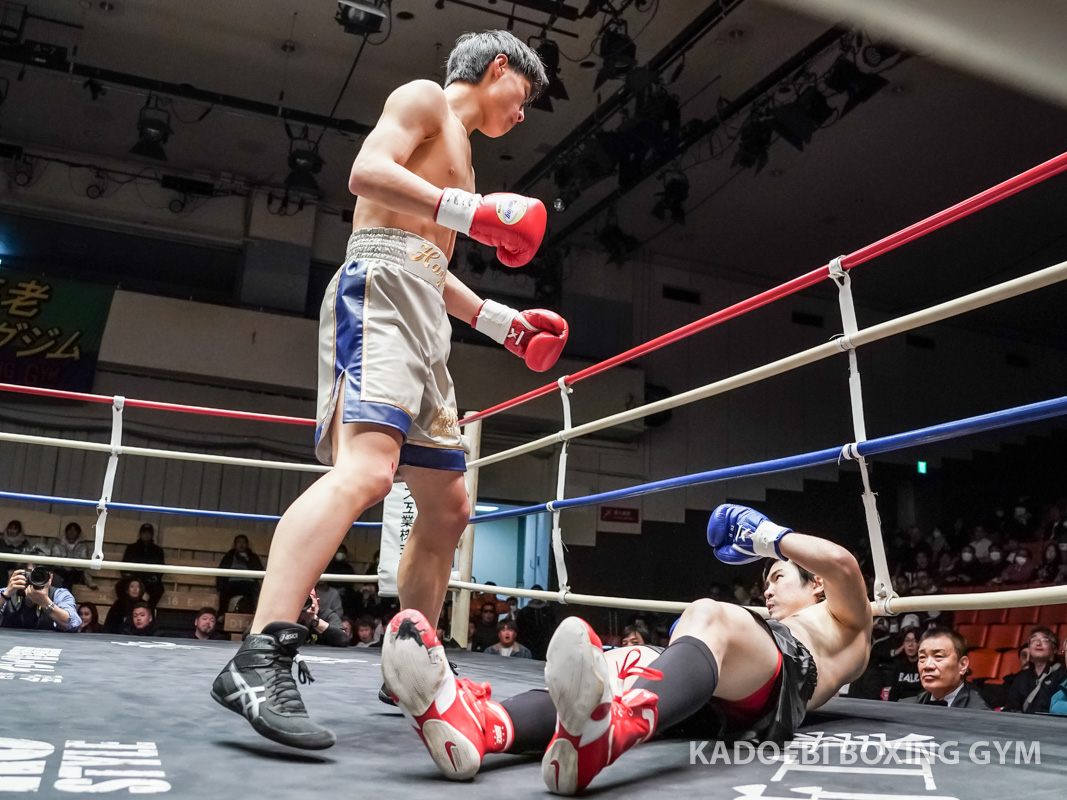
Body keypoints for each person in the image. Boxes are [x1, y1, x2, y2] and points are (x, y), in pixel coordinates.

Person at [210, 29, 559, 751]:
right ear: (496, 68)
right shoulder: (424, 99)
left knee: (449, 504)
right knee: (367, 471)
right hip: (379, 294)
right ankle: (259, 656)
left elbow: (429, 258)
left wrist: (501, 324)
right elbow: (366, 173)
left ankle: (412, 667)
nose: (522, 113)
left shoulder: (464, 159)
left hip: (423, 308)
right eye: (522, 94)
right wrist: (471, 212)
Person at [381, 504, 872, 793]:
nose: (768, 588)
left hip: (782, 686)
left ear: (816, 585)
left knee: (709, 613)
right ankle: (485, 727)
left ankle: (612, 730)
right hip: (724, 704)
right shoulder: (770, 627)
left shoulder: (845, 625)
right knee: (620, 664)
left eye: (779, 576)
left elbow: (843, 565)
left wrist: (766, 538)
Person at [902, 627, 991, 709]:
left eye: (938, 656)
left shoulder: (979, 713)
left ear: (962, 665)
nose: (927, 665)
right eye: (922, 657)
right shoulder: (906, 707)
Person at [0, 549, 81, 631]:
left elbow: (72, 623)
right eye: (29, 573)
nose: (33, 579)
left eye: (39, 575)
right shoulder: (6, 592)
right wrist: (4, 596)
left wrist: (45, 603)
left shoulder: (59, 594)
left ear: (50, 578)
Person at [1004, 626, 1063, 713]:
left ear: (1054, 649)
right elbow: (1012, 706)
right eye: (1034, 640)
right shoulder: (1022, 677)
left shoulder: (1062, 674)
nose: (1038, 643)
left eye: (1045, 640)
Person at [216, 535, 264, 613]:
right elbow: (221, 570)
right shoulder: (229, 556)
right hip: (232, 583)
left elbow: (259, 570)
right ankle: (222, 614)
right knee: (225, 590)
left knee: (254, 591)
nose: (241, 544)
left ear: (247, 545)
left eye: (244, 542)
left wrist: (247, 559)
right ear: (235, 545)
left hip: (249, 583)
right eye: (239, 542)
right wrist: (219, 587)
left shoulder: (253, 556)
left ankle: (255, 613)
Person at [122, 523, 166, 607]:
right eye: (144, 532)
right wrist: (130, 577)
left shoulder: (158, 550)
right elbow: (124, 566)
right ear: (140, 534)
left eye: (148, 533)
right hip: (134, 578)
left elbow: (161, 568)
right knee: (120, 587)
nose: (146, 535)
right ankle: (127, 608)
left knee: (159, 589)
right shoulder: (131, 548)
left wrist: (155, 577)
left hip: (149, 580)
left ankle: (149, 608)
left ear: (152, 535)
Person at [51, 522, 95, 590]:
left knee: (71, 577)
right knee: (61, 576)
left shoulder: (82, 546)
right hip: (61, 570)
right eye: (70, 530)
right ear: (66, 532)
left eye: (74, 530)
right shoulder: (58, 545)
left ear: (78, 533)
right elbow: (55, 562)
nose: (72, 532)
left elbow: (82, 563)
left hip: (75, 571)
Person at [887, 626, 922, 701]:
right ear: (903, 644)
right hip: (900, 705)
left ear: (920, 644)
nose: (910, 644)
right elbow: (894, 692)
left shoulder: (925, 666)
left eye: (915, 641)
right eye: (907, 640)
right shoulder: (900, 666)